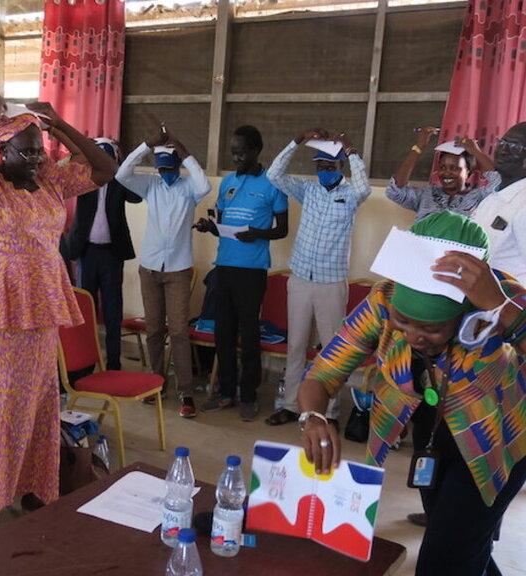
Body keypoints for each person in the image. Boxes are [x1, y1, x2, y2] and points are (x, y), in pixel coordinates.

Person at [298, 211, 526, 575]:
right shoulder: (384, 298)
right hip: (431, 437)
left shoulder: (501, 299)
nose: (413, 337)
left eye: (432, 329)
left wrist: (500, 308)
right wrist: (313, 416)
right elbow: (324, 372)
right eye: (402, 322)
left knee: (445, 558)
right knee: (460, 544)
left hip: (497, 441)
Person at [0, 93, 116, 536]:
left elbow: (104, 169)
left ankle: (33, 484)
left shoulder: (51, 180)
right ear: (3, 150)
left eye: (40, 150)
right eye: (28, 151)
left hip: (39, 305)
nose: (38, 159)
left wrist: (59, 125)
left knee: (37, 399)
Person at [263, 129, 371, 427]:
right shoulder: (308, 190)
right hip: (300, 278)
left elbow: (364, 188)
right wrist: (296, 141)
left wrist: (351, 152)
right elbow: (274, 175)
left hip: (331, 283)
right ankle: (290, 405)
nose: (323, 171)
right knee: (296, 345)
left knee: (332, 351)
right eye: (319, 166)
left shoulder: (350, 195)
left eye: (329, 166)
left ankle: (328, 412)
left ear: (340, 166)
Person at [116, 128, 212, 418]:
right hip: (150, 269)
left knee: (179, 331)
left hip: (178, 270)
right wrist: (146, 145)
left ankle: (186, 391)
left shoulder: (190, 188)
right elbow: (122, 174)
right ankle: (156, 383)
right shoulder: (151, 186)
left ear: (178, 165)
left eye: (170, 168)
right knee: (155, 330)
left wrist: (183, 150)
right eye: (161, 168)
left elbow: (205, 184)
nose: (165, 173)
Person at [195, 125, 287, 421]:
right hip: (224, 267)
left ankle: (248, 396)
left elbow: (282, 229)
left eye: (242, 153)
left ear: (257, 151)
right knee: (223, 331)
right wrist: (209, 226)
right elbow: (221, 221)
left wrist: (257, 233)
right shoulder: (228, 182)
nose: (236, 158)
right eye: (233, 153)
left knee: (248, 334)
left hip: (252, 271)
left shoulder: (272, 184)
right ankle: (225, 392)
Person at [68, 138, 142, 370]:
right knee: (85, 310)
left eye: (107, 159)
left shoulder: (120, 181)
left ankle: (113, 364)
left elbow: (137, 197)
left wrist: (121, 171)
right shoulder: (84, 180)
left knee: (112, 310)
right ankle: (85, 365)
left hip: (112, 254)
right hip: (86, 252)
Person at [386, 126, 499, 220]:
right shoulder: (426, 194)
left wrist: (475, 151)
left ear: (468, 172)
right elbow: (394, 190)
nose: (446, 173)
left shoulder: (478, 197)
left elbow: (499, 183)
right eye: (442, 167)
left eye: (454, 168)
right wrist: (419, 147)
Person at [473, 122, 526, 286]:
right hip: (481, 296)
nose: (503, 150)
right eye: (502, 143)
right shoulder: (491, 199)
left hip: (511, 299)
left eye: (514, 147)